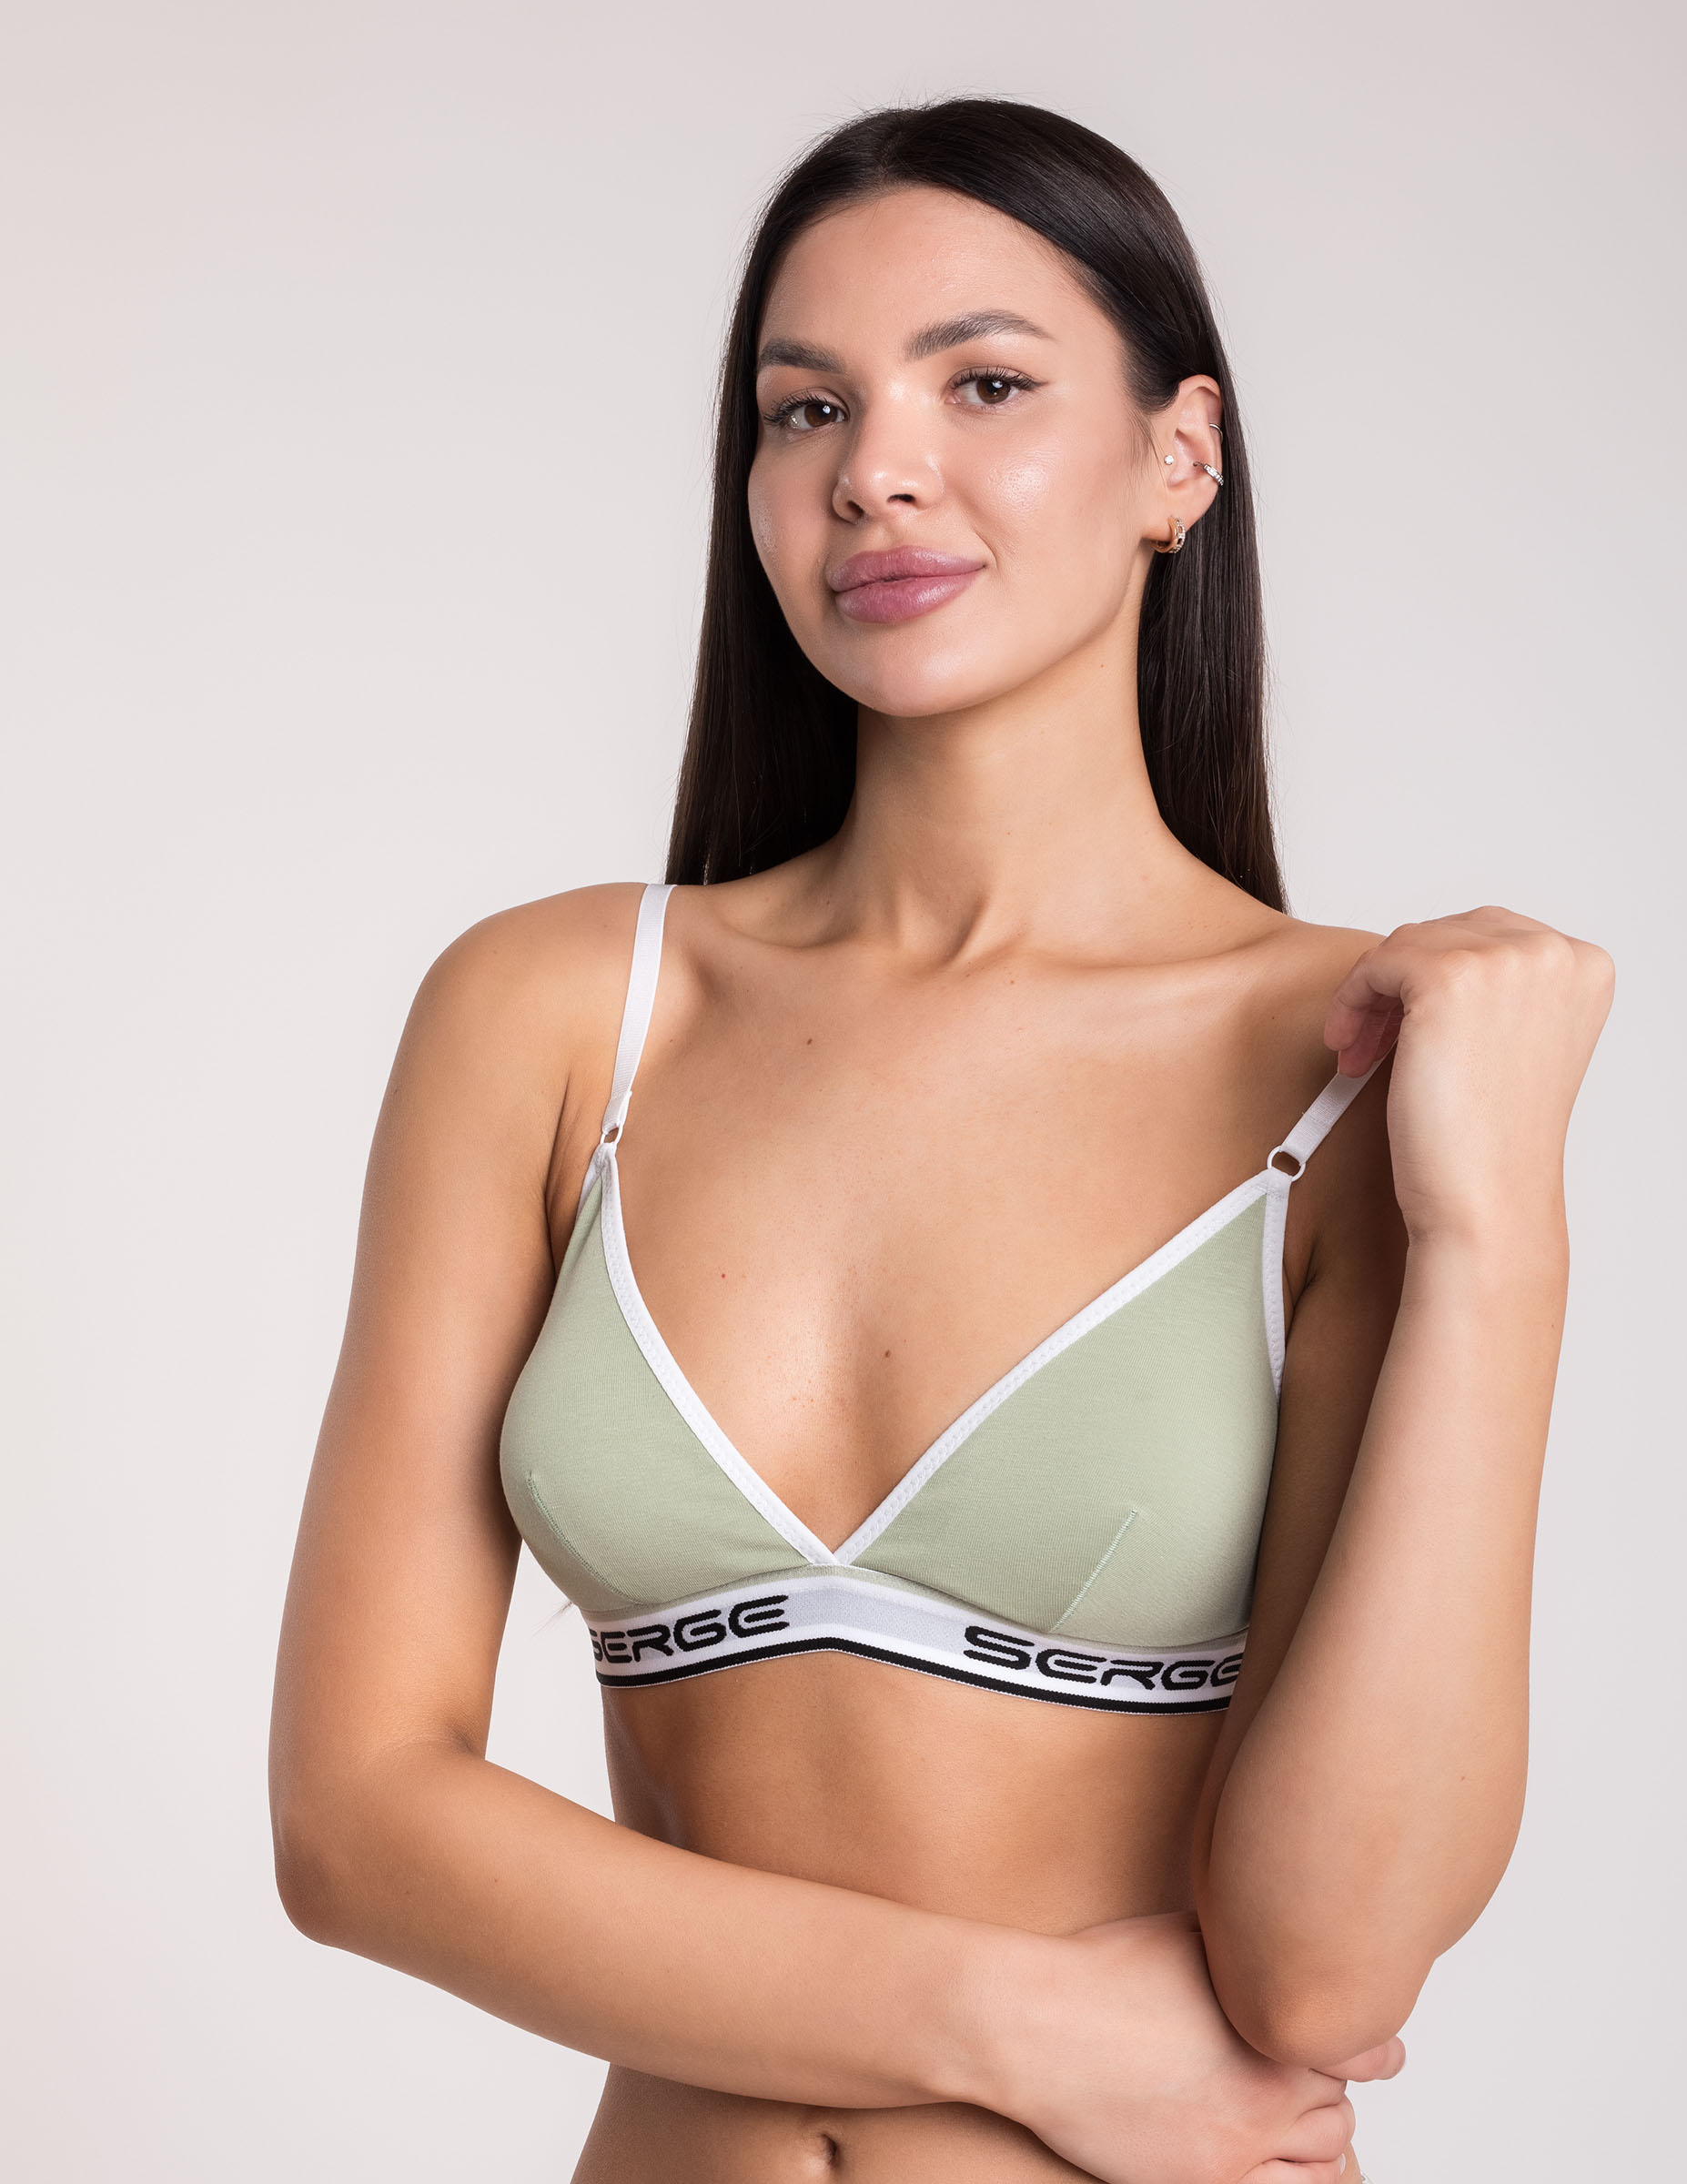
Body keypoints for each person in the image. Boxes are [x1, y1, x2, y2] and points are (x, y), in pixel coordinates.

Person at [268, 98, 1611, 2184]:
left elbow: (1327, 1968)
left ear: (1181, 457)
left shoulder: (1353, 1077)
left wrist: (1499, 1236)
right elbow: (355, 1820)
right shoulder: (558, 1020)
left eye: (983, 384)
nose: (875, 469)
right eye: (806, 408)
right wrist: (1012, 2026)